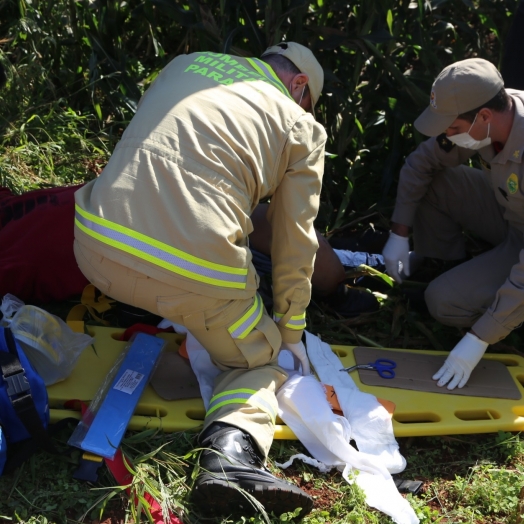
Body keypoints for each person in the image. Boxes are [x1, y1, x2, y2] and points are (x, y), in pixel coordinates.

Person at [73, 43, 325, 516]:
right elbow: (296, 241)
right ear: (298, 86)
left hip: (94, 246)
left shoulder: (182, 63)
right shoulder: (302, 127)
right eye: (307, 101)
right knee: (259, 359)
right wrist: (290, 333)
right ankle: (229, 459)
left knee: (177, 285)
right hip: (192, 276)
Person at [382, 57, 523, 391]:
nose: (447, 135)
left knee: (444, 302)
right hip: (512, 216)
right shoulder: (495, 116)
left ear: (485, 116)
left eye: (453, 128)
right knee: (435, 181)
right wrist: (399, 233)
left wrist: (480, 337)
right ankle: (443, 263)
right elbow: (422, 163)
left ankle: (506, 315)